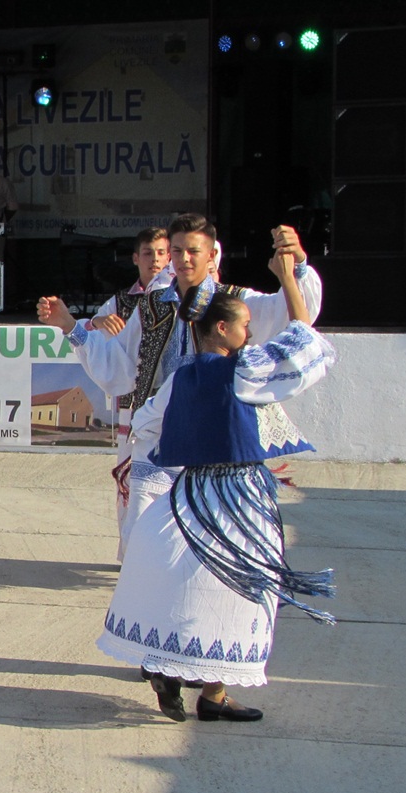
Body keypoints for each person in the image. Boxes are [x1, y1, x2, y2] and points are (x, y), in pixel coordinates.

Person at [99, 251, 336, 723]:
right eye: (244, 324)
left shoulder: (181, 378)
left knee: (189, 587)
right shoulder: (244, 371)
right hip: (237, 498)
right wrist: (288, 277)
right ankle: (211, 692)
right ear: (222, 331)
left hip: (186, 496)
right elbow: (305, 341)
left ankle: (179, 676)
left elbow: (145, 426)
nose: (250, 333)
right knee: (245, 589)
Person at [37, 214, 322, 549]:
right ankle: (142, 590)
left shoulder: (231, 302)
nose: (184, 259)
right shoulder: (151, 306)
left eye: (193, 251)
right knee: (144, 523)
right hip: (160, 426)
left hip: (214, 431)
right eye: (177, 251)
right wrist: (71, 326)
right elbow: (121, 366)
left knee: (212, 527)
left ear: (211, 256)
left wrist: (298, 264)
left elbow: (294, 316)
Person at [75, 227, 170, 556]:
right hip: (135, 405)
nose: (155, 259)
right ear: (135, 258)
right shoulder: (123, 302)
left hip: (177, 405)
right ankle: (132, 556)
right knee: (131, 482)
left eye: (160, 252)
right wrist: (98, 324)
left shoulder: (183, 297)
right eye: (148, 253)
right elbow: (88, 327)